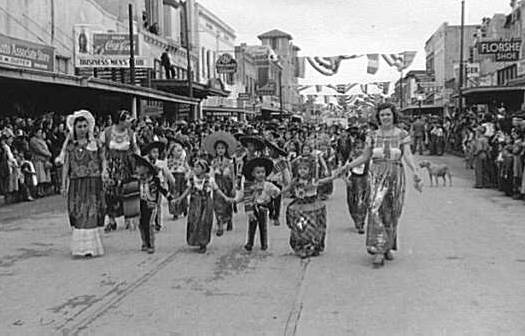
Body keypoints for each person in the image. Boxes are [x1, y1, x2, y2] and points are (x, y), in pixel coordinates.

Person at [344, 103, 422, 268]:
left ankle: (387, 246)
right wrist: (348, 166)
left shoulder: (402, 134)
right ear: (378, 118)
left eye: (388, 114)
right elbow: (365, 157)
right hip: (376, 175)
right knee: (375, 209)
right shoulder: (372, 135)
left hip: (395, 174)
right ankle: (378, 249)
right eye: (382, 115)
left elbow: (407, 154)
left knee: (392, 211)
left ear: (393, 115)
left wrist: (415, 171)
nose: (385, 117)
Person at [62, 110, 106, 258]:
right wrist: (63, 184)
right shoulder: (70, 145)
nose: (82, 129)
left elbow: (102, 159)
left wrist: (104, 172)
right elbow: (66, 165)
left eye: (84, 126)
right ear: (74, 128)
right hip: (76, 183)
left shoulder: (95, 143)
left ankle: (92, 247)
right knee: (79, 212)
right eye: (79, 126)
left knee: (91, 212)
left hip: (93, 181)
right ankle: (79, 247)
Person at [285, 156, 340, 258]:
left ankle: (312, 246)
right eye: (300, 169)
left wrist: (334, 177)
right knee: (300, 228)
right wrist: (278, 193)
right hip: (299, 207)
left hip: (313, 207)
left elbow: (324, 181)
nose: (302, 171)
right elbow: (287, 188)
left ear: (310, 170)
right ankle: (300, 247)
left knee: (312, 228)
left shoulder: (313, 181)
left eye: (305, 169)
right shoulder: (295, 181)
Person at [173, 159, 229, 253]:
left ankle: (203, 243)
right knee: (194, 222)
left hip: (206, 204)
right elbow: (188, 190)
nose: (195, 169)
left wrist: (225, 197)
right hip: (194, 204)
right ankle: (195, 240)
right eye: (194, 167)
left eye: (197, 167)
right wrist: (180, 199)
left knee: (204, 223)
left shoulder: (209, 180)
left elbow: (216, 190)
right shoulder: (192, 180)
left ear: (204, 169)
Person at [100, 110, 139, 232]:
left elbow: (136, 150)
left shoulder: (131, 133)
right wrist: (104, 167)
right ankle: (111, 219)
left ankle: (129, 217)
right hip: (111, 166)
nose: (129, 122)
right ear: (121, 121)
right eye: (127, 119)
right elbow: (102, 152)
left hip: (127, 167)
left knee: (127, 192)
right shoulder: (107, 132)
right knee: (110, 193)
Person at [233, 157, 280, 252]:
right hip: (253, 208)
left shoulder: (267, 184)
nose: (261, 174)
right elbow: (245, 196)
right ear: (253, 174)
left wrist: (275, 193)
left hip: (263, 207)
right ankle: (249, 243)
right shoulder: (250, 185)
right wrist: (236, 201)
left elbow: (276, 192)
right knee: (252, 226)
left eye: (263, 172)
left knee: (263, 227)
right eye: (258, 172)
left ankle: (264, 243)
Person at [133, 153, 174, 254]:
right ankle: (144, 242)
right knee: (142, 223)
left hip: (151, 204)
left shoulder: (154, 180)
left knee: (150, 223)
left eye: (139, 167)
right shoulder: (137, 180)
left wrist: (170, 198)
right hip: (141, 204)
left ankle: (151, 244)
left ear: (146, 169)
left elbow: (162, 189)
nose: (137, 169)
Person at [203, 131, 237, 236]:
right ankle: (220, 224)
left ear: (226, 149)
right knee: (217, 205)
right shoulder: (213, 162)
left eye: (222, 148)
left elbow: (233, 175)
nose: (220, 150)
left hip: (227, 184)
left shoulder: (230, 162)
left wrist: (234, 186)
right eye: (218, 148)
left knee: (227, 204)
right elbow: (211, 174)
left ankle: (229, 219)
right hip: (217, 184)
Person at [142, 141, 175, 231]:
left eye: (157, 152)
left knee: (158, 205)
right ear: (149, 153)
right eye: (154, 152)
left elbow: (168, 174)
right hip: (148, 186)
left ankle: (158, 223)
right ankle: (148, 221)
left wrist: (172, 182)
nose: (156, 154)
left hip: (160, 186)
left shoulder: (161, 163)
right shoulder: (144, 162)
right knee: (148, 204)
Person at [345, 128, 370, 234]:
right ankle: (355, 219)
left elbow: (371, 171)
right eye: (357, 148)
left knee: (362, 201)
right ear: (354, 149)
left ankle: (361, 223)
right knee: (352, 201)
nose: (359, 150)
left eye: (361, 148)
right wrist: (346, 180)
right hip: (353, 181)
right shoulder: (351, 159)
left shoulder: (368, 159)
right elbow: (345, 171)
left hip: (363, 180)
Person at [266, 140, 291, 226]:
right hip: (268, 182)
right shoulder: (266, 160)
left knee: (277, 201)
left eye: (272, 150)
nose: (270, 151)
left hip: (277, 183)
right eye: (269, 150)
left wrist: (288, 183)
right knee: (268, 200)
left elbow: (286, 173)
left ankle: (276, 216)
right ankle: (271, 211)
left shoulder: (281, 162)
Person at [167, 135, 190, 219]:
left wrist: (187, 175)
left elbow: (188, 169)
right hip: (173, 177)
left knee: (182, 193)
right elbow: (166, 169)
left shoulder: (183, 160)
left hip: (181, 177)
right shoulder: (169, 160)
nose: (180, 152)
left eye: (181, 151)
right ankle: (175, 212)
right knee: (174, 194)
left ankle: (184, 209)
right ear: (172, 152)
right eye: (177, 151)